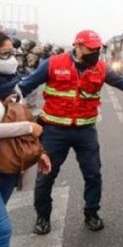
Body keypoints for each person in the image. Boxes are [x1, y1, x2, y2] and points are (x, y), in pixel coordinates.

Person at [18, 30, 123, 235]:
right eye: (92, 49)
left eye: (99, 49)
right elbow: (24, 87)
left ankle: (91, 213)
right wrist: (7, 105)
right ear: (78, 47)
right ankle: (42, 217)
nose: (96, 53)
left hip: (85, 132)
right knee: (46, 177)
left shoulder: (101, 68)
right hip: (54, 131)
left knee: (93, 175)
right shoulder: (54, 63)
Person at [0, 31, 52, 247]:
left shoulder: (11, 83)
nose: (12, 58)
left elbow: (20, 113)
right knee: (3, 231)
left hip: (7, 165)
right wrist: (28, 128)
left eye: (13, 52)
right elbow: (24, 123)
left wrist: (39, 152)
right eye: (5, 53)